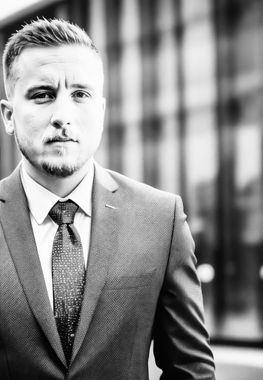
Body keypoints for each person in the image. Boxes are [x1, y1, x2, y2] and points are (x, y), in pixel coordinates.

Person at [0, 18, 215, 380]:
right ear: (8, 115)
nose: (63, 116)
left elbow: (190, 369)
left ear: (100, 112)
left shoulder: (161, 219)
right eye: (43, 94)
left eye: (80, 94)